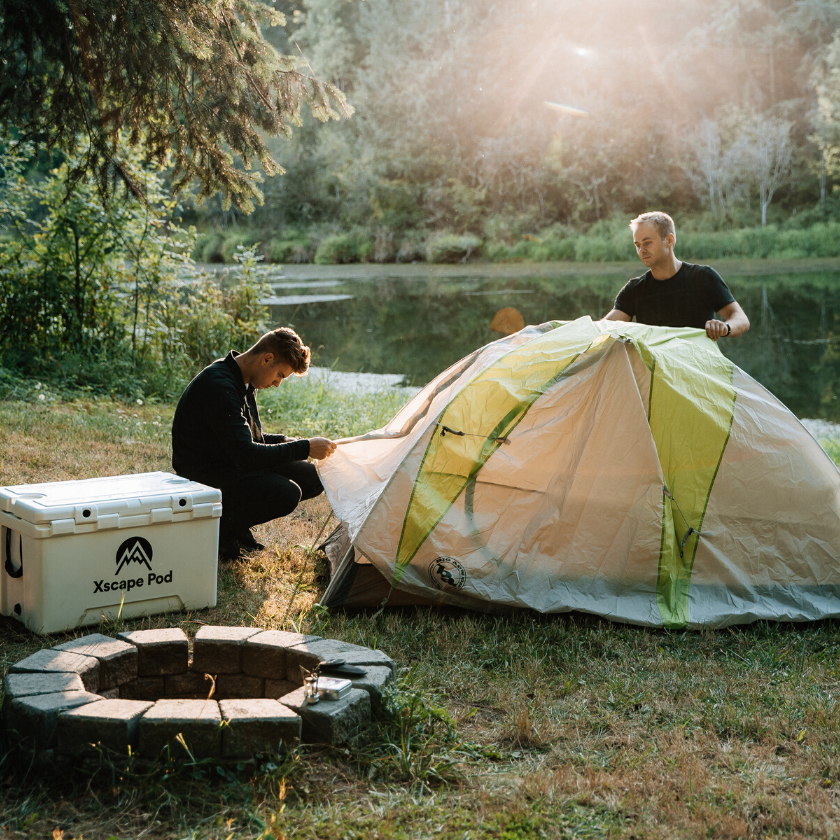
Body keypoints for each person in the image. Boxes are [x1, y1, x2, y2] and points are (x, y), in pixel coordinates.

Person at [171, 327, 337, 560]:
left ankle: (234, 526)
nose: (278, 383)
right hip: (203, 475)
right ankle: (221, 530)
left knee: (312, 477)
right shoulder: (220, 385)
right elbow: (246, 454)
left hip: (229, 461)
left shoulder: (246, 381)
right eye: (280, 374)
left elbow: (243, 437)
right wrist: (305, 447)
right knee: (287, 493)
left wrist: (284, 441)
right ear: (266, 359)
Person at [603, 211, 750, 340]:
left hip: (698, 367)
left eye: (647, 242)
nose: (642, 250)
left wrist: (725, 327)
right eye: (637, 245)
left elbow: (741, 319)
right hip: (656, 370)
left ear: (669, 240)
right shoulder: (634, 289)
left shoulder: (703, 277)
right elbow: (604, 328)